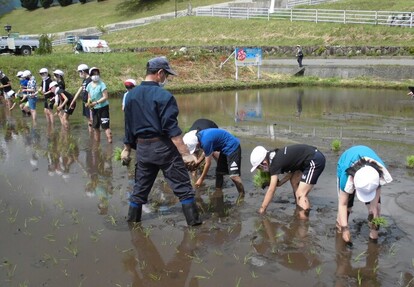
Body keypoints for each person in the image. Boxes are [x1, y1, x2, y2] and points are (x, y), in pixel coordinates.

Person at [121, 56, 201, 226]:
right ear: (159, 73)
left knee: (140, 188)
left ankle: (133, 224)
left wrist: (127, 148)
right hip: (163, 147)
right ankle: (195, 227)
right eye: (166, 75)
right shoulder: (164, 96)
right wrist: (186, 154)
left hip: (142, 149)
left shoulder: (130, 96)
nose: (166, 78)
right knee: (183, 188)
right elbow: (172, 130)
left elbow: (128, 125)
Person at [250, 144, 326, 218]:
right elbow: (291, 173)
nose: (260, 170)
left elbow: (271, 190)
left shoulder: (274, 164)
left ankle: (303, 220)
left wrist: (262, 208)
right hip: (306, 161)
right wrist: (280, 183)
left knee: (301, 193)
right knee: (294, 181)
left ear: (264, 163)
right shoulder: (273, 156)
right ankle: (299, 205)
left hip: (314, 160)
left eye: (259, 168)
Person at [336, 145, 392, 244]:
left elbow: (374, 205)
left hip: (369, 166)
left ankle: (373, 239)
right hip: (347, 160)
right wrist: (345, 228)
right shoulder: (346, 178)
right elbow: (342, 204)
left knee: (376, 210)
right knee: (346, 210)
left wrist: (373, 211)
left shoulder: (378, 174)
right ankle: (340, 232)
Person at [183, 128, 245, 199]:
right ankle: (218, 192)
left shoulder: (205, 141)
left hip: (233, 148)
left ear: (197, 143)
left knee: (234, 176)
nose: (196, 148)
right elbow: (206, 152)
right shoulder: (200, 137)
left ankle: (242, 195)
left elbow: (208, 163)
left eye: (196, 147)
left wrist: (201, 179)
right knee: (219, 172)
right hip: (224, 149)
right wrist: (198, 163)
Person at [187, 118, 219, 186]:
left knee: (214, 152)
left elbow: (208, 160)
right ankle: (194, 178)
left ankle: (222, 168)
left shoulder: (206, 138)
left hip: (211, 126)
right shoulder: (188, 139)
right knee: (194, 155)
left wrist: (201, 178)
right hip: (197, 125)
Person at [86, 67, 112, 143]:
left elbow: (105, 97)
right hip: (94, 109)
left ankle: (110, 142)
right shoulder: (89, 85)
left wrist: (96, 102)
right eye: (94, 74)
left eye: (97, 74)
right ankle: (97, 144)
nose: (96, 76)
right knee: (95, 127)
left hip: (103, 108)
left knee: (105, 126)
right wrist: (89, 104)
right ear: (90, 75)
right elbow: (89, 97)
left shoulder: (102, 84)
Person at [70, 64, 93, 133]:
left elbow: (92, 92)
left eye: (79, 72)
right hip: (85, 102)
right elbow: (79, 90)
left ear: (83, 71)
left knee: (91, 120)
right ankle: (91, 135)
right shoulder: (84, 81)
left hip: (89, 103)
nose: (79, 74)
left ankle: (93, 135)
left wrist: (89, 102)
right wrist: (73, 101)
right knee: (88, 120)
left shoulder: (90, 80)